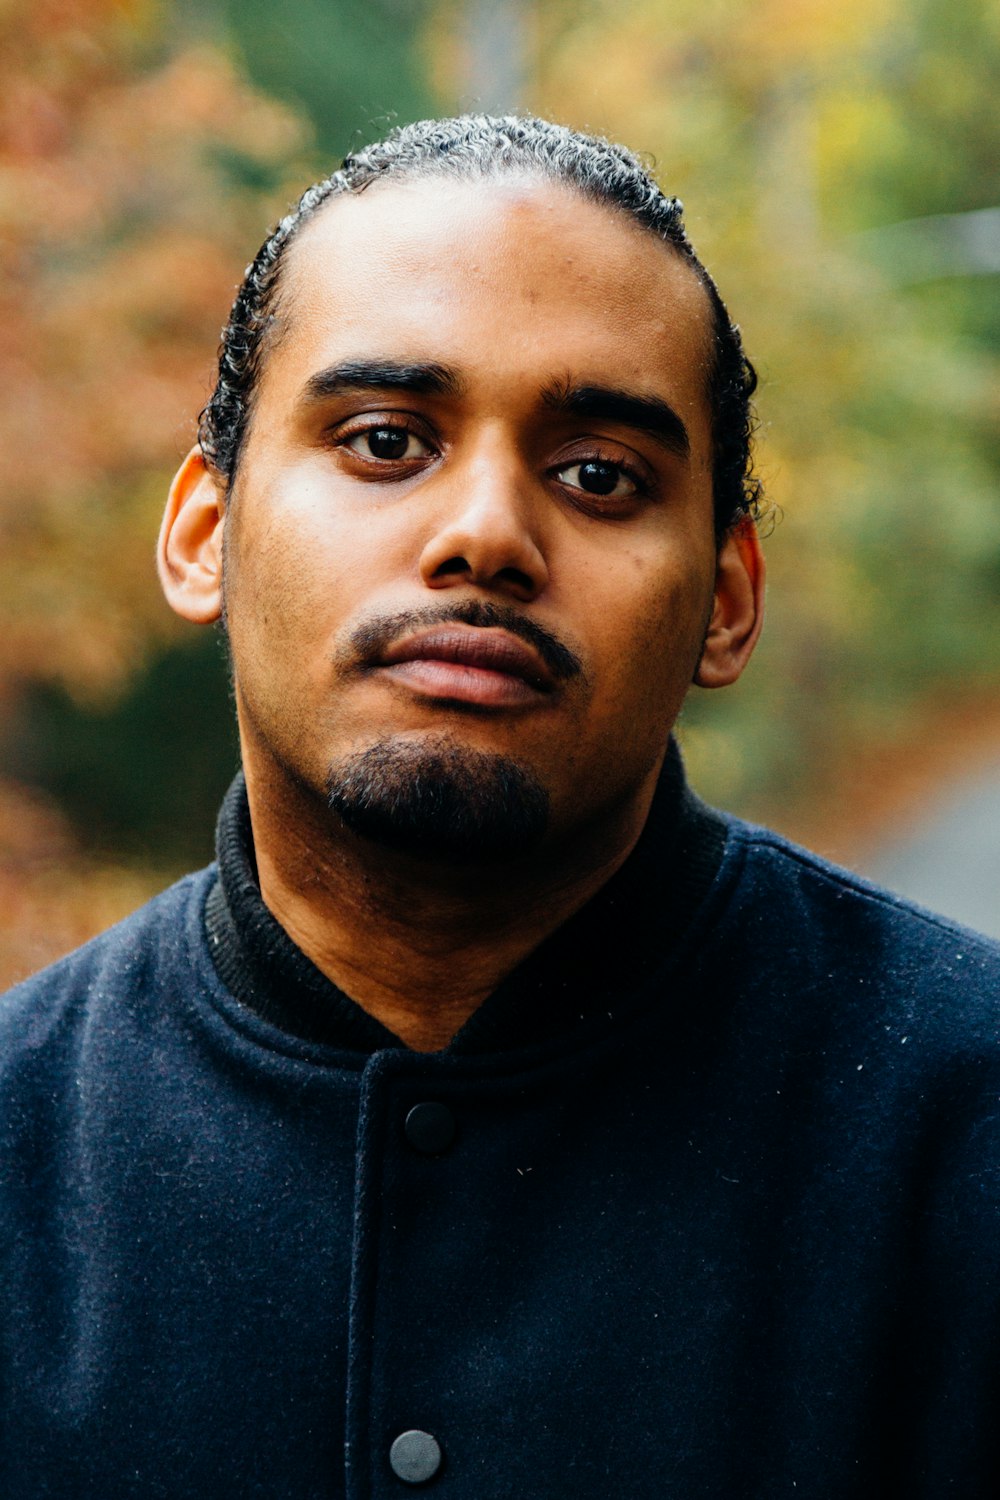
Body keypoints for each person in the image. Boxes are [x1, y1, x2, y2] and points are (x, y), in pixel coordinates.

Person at [2, 114, 999, 1498]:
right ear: (204, 532)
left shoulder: (966, 1130)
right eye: (384, 438)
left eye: (600, 474)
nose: (485, 534)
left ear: (726, 601)